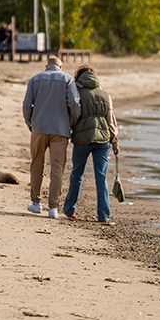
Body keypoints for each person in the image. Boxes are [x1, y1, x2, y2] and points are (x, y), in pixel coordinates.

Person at [22, 56, 81, 219]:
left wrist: (30, 124)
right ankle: (53, 208)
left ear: (46, 66)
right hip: (60, 130)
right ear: (61, 66)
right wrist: (73, 122)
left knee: (36, 165)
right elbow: (75, 103)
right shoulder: (68, 79)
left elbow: (26, 105)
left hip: (39, 128)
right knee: (57, 169)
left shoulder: (35, 79)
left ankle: (35, 203)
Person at [62, 65, 119, 222]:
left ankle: (69, 209)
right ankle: (104, 215)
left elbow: (73, 117)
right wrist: (115, 142)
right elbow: (111, 121)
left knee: (77, 174)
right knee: (101, 177)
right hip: (103, 140)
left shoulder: (77, 93)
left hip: (82, 139)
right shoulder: (105, 95)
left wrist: (71, 129)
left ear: (79, 78)